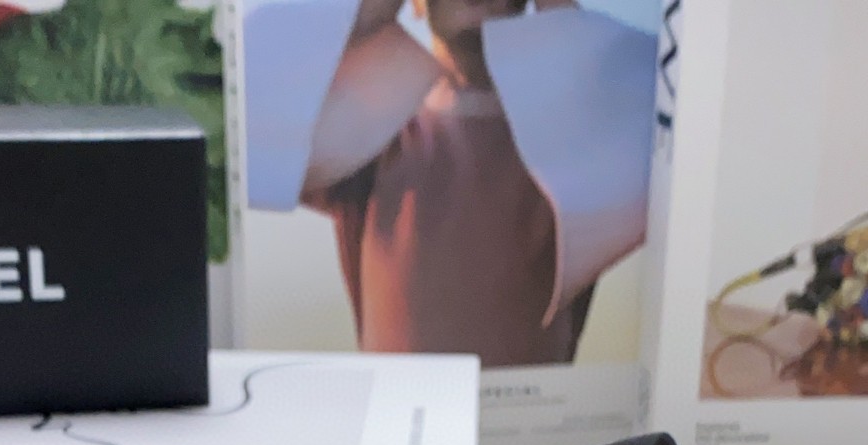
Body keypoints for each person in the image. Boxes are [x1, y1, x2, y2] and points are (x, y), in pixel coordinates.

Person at [245, 0, 659, 368]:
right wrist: (367, 12)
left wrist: (560, 13)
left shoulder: (574, 143)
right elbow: (244, 104)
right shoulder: (370, 134)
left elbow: (660, 105)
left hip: (530, 426)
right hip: (400, 420)